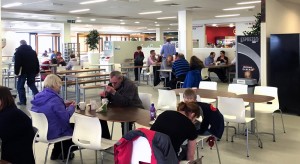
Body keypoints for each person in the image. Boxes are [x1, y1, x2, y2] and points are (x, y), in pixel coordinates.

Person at [31, 74, 77, 160]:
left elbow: (49, 109)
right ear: (55, 84)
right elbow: (65, 117)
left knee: (60, 125)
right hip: (52, 132)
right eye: (59, 85)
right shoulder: (55, 99)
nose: (60, 87)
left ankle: (55, 153)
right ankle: (66, 154)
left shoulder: (38, 96)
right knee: (74, 128)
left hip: (39, 131)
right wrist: (72, 108)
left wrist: (63, 105)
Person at [100, 71, 144, 135]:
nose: (113, 85)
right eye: (111, 82)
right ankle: (105, 138)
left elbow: (125, 102)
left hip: (133, 108)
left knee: (125, 121)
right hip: (119, 108)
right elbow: (108, 99)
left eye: (115, 83)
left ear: (120, 78)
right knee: (101, 116)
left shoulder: (130, 85)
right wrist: (104, 96)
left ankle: (125, 141)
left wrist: (114, 92)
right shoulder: (112, 83)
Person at [0, 86, 35, 164]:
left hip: (15, 158)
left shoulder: (10, 115)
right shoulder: (11, 110)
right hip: (16, 154)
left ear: (2, 100)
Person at [14, 40, 40, 105]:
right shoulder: (33, 52)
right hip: (32, 70)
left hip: (23, 71)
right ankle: (39, 98)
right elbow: (36, 62)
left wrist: (16, 72)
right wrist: (37, 70)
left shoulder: (18, 52)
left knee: (20, 86)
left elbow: (17, 63)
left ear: (20, 44)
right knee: (31, 84)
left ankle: (23, 101)